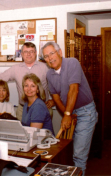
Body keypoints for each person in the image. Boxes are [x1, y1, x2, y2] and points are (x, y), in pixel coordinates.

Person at [41, 42, 98, 175]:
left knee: (78, 155)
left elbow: (74, 90)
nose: (50, 58)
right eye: (46, 56)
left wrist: (67, 114)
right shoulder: (49, 74)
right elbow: (56, 98)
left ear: (60, 52)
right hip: (70, 111)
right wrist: (68, 114)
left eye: (52, 53)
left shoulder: (72, 63)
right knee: (65, 151)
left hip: (86, 112)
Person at [0, 42, 54, 120]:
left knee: (42, 134)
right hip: (23, 109)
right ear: (21, 54)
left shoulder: (45, 68)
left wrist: (54, 101)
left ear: (36, 53)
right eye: (26, 52)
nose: (28, 54)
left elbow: (56, 85)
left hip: (42, 108)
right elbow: (0, 77)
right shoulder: (15, 69)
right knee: (20, 133)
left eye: (31, 51)